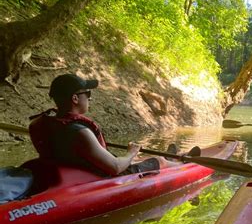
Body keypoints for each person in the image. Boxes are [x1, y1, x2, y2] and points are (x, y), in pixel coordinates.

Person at [29, 73, 183, 176]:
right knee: (158, 162)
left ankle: (175, 159)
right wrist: (131, 152)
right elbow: (115, 167)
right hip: (98, 176)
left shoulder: (37, 124)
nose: (90, 99)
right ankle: (185, 165)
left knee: (141, 159)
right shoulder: (80, 132)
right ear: (75, 98)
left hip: (70, 172)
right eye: (87, 94)